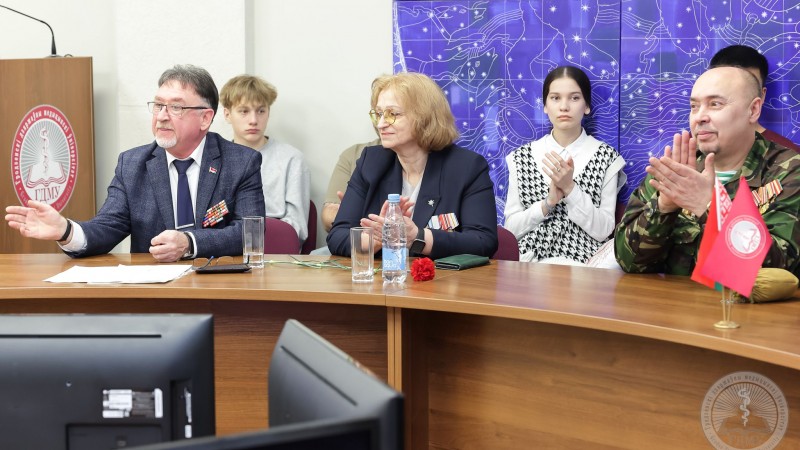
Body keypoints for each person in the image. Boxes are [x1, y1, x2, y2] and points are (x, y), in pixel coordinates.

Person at [5, 65, 266, 262]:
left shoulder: (241, 162)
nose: (162, 117)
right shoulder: (132, 164)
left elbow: (250, 233)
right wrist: (66, 230)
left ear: (205, 118)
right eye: (158, 105)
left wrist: (189, 242)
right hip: (153, 293)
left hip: (218, 287)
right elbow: (107, 227)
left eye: (176, 108)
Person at [615, 66, 800, 276]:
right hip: (674, 297)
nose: (700, 117)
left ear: (753, 110)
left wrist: (710, 205)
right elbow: (629, 262)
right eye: (694, 107)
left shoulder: (789, 171)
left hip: (738, 299)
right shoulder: (676, 168)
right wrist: (664, 207)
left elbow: (779, 273)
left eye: (715, 104)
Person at [326, 72, 498, 259]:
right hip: (385, 275)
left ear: (424, 117)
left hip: (440, 276)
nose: (381, 124)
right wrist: (380, 238)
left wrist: (417, 237)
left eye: (393, 114)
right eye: (379, 114)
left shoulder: (467, 167)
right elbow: (337, 236)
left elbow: (483, 241)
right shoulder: (371, 162)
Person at [503, 66, 626, 265]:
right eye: (555, 98)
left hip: (585, 266)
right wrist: (547, 203)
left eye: (574, 98)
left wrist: (570, 189)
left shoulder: (607, 158)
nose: (564, 106)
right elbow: (511, 229)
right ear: (545, 105)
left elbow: (604, 230)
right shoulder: (520, 157)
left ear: (587, 106)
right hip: (531, 264)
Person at [219, 75, 310, 245]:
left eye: (261, 111)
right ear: (227, 114)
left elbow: (297, 227)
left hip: (276, 249)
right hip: (225, 248)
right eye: (244, 111)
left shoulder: (291, 159)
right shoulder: (216, 161)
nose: (253, 120)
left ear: (269, 112)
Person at [709, 44, 800, 152]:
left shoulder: (789, 154)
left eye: (748, 85)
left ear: (762, 95)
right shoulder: (693, 143)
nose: (734, 94)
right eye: (724, 85)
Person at [321, 138, 381, 232]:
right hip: (359, 237)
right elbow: (328, 214)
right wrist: (350, 214)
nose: (382, 128)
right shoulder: (355, 153)